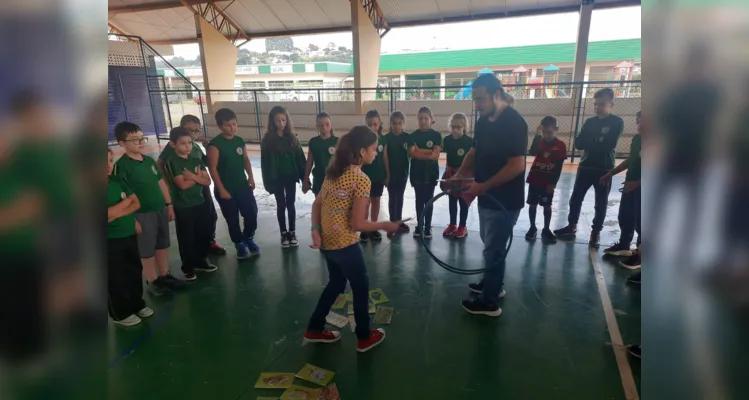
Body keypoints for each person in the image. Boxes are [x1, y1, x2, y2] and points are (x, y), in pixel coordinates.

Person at [304, 126, 400, 353]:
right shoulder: (361, 179)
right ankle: (364, 337)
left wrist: (315, 229)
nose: (376, 153)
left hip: (327, 243)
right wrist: (386, 224)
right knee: (360, 286)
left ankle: (314, 328)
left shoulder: (333, 171)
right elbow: (358, 224)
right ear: (361, 151)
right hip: (345, 245)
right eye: (374, 149)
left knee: (336, 283)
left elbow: (317, 203)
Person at [455, 74, 528, 317]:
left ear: (497, 95)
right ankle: (492, 283)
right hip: (486, 196)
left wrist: (483, 186)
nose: (477, 104)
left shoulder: (514, 123)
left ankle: (489, 302)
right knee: (490, 244)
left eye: (481, 99)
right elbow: (475, 150)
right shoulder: (484, 121)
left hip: (505, 200)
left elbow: (517, 165)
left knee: (494, 249)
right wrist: (461, 173)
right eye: (475, 99)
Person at [113, 122, 185, 295]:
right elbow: (122, 195)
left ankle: (164, 275)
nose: (140, 142)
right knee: (146, 250)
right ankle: (152, 281)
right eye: (134, 140)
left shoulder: (149, 161)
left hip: (159, 209)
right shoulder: (122, 166)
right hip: (142, 215)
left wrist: (169, 205)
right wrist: (132, 219)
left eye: (141, 138)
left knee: (162, 244)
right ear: (122, 143)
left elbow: (160, 183)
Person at [554, 88, 624, 247]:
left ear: (611, 104)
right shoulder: (589, 122)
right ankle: (571, 226)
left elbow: (608, 145)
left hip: (603, 169)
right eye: (595, 104)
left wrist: (591, 141)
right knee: (576, 199)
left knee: (600, 203)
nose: (598, 107)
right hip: (585, 166)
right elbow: (578, 143)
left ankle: (595, 232)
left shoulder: (617, 122)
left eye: (602, 104)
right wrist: (598, 140)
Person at [157, 114, 226, 255]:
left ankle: (209, 243)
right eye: (190, 130)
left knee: (210, 215)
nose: (193, 134)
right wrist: (168, 185)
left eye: (197, 131)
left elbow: (206, 162)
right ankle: (192, 255)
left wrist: (207, 146)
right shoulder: (173, 148)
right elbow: (160, 164)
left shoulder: (193, 145)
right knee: (187, 225)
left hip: (200, 186)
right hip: (184, 189)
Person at [163, 127, 219, 281]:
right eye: (182, 143)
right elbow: (181, 185)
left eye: (189, 143)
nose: (187, 146)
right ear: (173, 144)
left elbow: (207, 181)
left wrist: (191, 177)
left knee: (202, 233)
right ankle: (188, 267)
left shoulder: (195, 160)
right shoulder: (172, 161)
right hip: (183, 205)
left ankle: (201, 260)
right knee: (187, 237)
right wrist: (197, 178)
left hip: (199, 201)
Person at [206, 108, 260, 259]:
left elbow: (245, 160)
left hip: (242, 186)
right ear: (220, 126)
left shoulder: (239, 141)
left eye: (234, 124)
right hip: (226, 189)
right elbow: (213, 168)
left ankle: (248, 237)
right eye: (228, 125)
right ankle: (239, 244)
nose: (232, 128)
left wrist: (251, 177)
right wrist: (221, 189)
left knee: (251, 213)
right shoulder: (215, 145)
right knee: (232, 218)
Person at [107, 148, 152, 326]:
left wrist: (116, 211)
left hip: (128, 234)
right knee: (115, 276)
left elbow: (136, 203)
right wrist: (125, 203)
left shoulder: (117, 180)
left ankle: (136, 303)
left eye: (110, 160)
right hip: (109, 239)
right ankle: (120, 313)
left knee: (133, 270)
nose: (108, 166)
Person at [261, 106, 306, 248]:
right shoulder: (268, 140)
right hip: (277, 179)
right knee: (281, 205)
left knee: (291, 204)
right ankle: (283, 233)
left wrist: (305, 178)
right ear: (272, 122)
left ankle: (292, 232)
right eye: (277, 121)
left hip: (290, 177)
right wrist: (268, 182)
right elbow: (265, 164)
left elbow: (300, 159)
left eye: (283, 120)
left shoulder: (292, 138)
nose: (281, 123)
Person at [601, 111, 642, 265]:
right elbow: (631, 160)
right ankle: (625, 245)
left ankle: (640, 254)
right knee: (626, 215)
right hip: (630, 183)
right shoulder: (638, 139)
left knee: (642, 221)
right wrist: (611, 173)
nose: (640, 125)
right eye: (639, 121)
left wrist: (638, 183)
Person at [525, 116, 567, 243]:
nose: (546, 135)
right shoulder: (540, 141)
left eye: (549, 132)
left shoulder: (560, 145)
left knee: (547, 205)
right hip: (535, 179)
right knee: (532, 205)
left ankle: (546, 229)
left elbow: (559, 167)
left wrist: (552, 183)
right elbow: (532, 152)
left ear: (556, 129)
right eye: (544, 132)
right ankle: (532, 227)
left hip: (547, 182)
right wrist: (537, 135)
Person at [409, 106, 442, 238]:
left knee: (429, 200)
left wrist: (420, 151)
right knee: (418, 199)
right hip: (417, 172)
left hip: (431, 173)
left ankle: (428, 226)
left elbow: (436, 154)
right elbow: (412, 154)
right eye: (420, 118)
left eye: (426, 118)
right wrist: (429, 153)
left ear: (431, 120)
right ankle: (419, 224)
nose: (423, 121)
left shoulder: (436, 135)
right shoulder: (413, 136)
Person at [440, 112, 473, 239]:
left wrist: (465, 173)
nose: (455, 130)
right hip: (451, 173)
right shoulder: (447, 140)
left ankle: (462, 226)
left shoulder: (469, 141)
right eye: (453, 127)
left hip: (464, 174)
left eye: (458, 127)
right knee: (452, 199)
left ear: (464, 127)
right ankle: (453, 224)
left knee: (463, 200)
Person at [360, 110, 389, 242]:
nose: (372, 127)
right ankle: (365, 227)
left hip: (378, 177)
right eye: (369, 125)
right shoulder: (362, 142)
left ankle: (373, 227)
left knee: (376, 200)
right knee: (365, 203)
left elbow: (385, 158)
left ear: (380, 124)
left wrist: (387, 174)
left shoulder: (383, 140)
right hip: (365, 178)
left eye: (375, 124)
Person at [384, 111, 411, 237]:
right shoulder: (387, 138)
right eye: (394, 123)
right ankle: (392, 223)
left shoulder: (407, 137)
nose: (397, 126)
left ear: (403, 124)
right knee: (392, 197)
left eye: (399, 123)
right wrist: (387, 175)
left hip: (403, 173)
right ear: (391, 124)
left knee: (400, 197)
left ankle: (398, 221)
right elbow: (385, 157)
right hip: (391, 173)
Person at [303, 112, 338, 197]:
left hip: (334, 178)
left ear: (331, 125)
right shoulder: (313, 142)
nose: (324, 127)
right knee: (319, 205)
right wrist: (305, 179)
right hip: (319, 178)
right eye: (321, 125)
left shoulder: (337, 141)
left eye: (327, 124)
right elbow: (309, 162)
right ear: (317, 127)